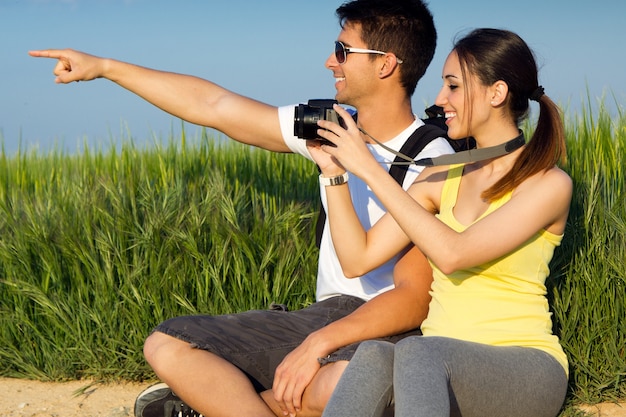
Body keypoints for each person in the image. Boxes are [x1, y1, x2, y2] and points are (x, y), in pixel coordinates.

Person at [30, 1, 454, 417]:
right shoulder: (330, 125)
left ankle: (214, 404)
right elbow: (214, 107)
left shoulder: (431, 159)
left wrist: (317, 344)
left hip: (383, 329)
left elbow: (415, 298)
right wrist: (105, 67)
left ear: (386, 65)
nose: (330, 61)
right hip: (321, 315)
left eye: (343, 51)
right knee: (167, 344)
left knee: (338, 383)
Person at [310, 28, 571, 417]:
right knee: (373, 357)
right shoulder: (440, 177)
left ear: (496, 93)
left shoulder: (548, 184)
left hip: (525, 367)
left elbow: (453, 254)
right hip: (438, 364)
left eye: (453, 86)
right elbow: (356, 259)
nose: (439, 100)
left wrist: (369, 168)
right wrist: (334, 174)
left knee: (418, 350)